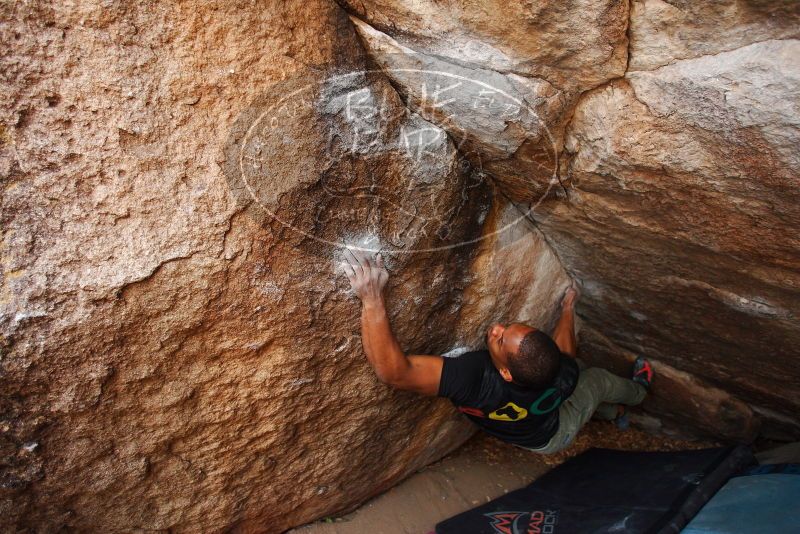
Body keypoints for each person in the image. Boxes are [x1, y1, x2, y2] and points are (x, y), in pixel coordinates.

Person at [340, 249, 654, 454]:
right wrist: (568, 309)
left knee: (594, 380)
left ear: (505, 372)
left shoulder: (474, 381)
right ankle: (625, 404)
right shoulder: (565, 375)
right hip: (547, 426)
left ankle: (634, 398)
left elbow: (395, 373)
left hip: (544, 434)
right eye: (508, 327)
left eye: (501, 338)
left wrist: (372, 298)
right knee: (589, 379)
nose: (495, 328)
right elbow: (565, 352)